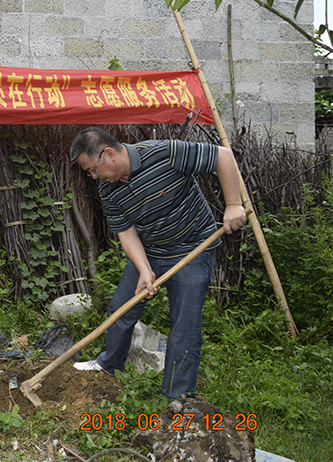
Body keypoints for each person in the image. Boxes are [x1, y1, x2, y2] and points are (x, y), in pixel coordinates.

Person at [69, 127, 247, 399]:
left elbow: (223, 156)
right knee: (121, 309)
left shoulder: (165, 153)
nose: (94, 177)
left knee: (184, 327)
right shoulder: (108, 188)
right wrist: (143, 269)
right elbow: (126, 232)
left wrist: (233, 204)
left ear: (109, 154)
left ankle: (176, 398)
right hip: (150, 250)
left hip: (192, 250)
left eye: (93, 169)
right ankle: (109, 365)